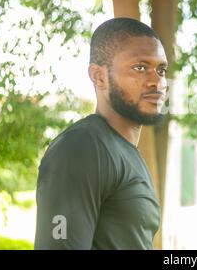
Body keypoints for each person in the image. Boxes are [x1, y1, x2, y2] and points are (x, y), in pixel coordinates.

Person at [34, 18, 168, 249]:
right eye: (140, 68)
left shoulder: (126, 152)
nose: (157, 82)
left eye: (161, 70)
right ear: (99, 77)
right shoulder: (82, 147)